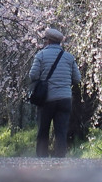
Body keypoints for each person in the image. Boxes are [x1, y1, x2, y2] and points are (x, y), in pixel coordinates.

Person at [29, 27, 81, 158]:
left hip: (47, 99)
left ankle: (42, 159)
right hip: (65, 99)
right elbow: (77, 78)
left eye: (45, 39)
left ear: (48, 41)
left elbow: (33, 75)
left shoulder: (40, 55)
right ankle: (60, 161)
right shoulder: (69, 57)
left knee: (43, 130)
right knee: (61, 132)